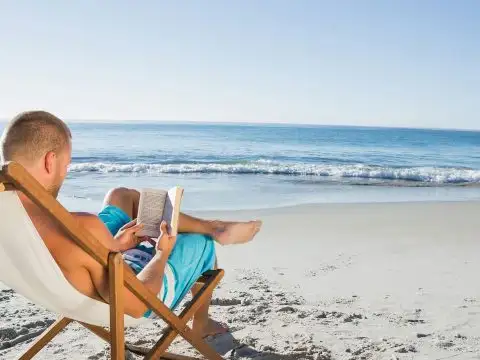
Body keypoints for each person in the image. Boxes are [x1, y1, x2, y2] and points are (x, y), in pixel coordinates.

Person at [0, 110, 262, 338]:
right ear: (49, 161)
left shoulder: (10, 214)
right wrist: (161, 253)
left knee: (121, 196)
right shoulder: (82, 228)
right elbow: (137, 304)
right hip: (126, 297)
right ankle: (201, 321)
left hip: (71, 273)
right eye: (66, 165)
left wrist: (113, 245)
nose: (66, 172)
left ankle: (212, 225)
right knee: (201, 243)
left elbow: (74, 255)